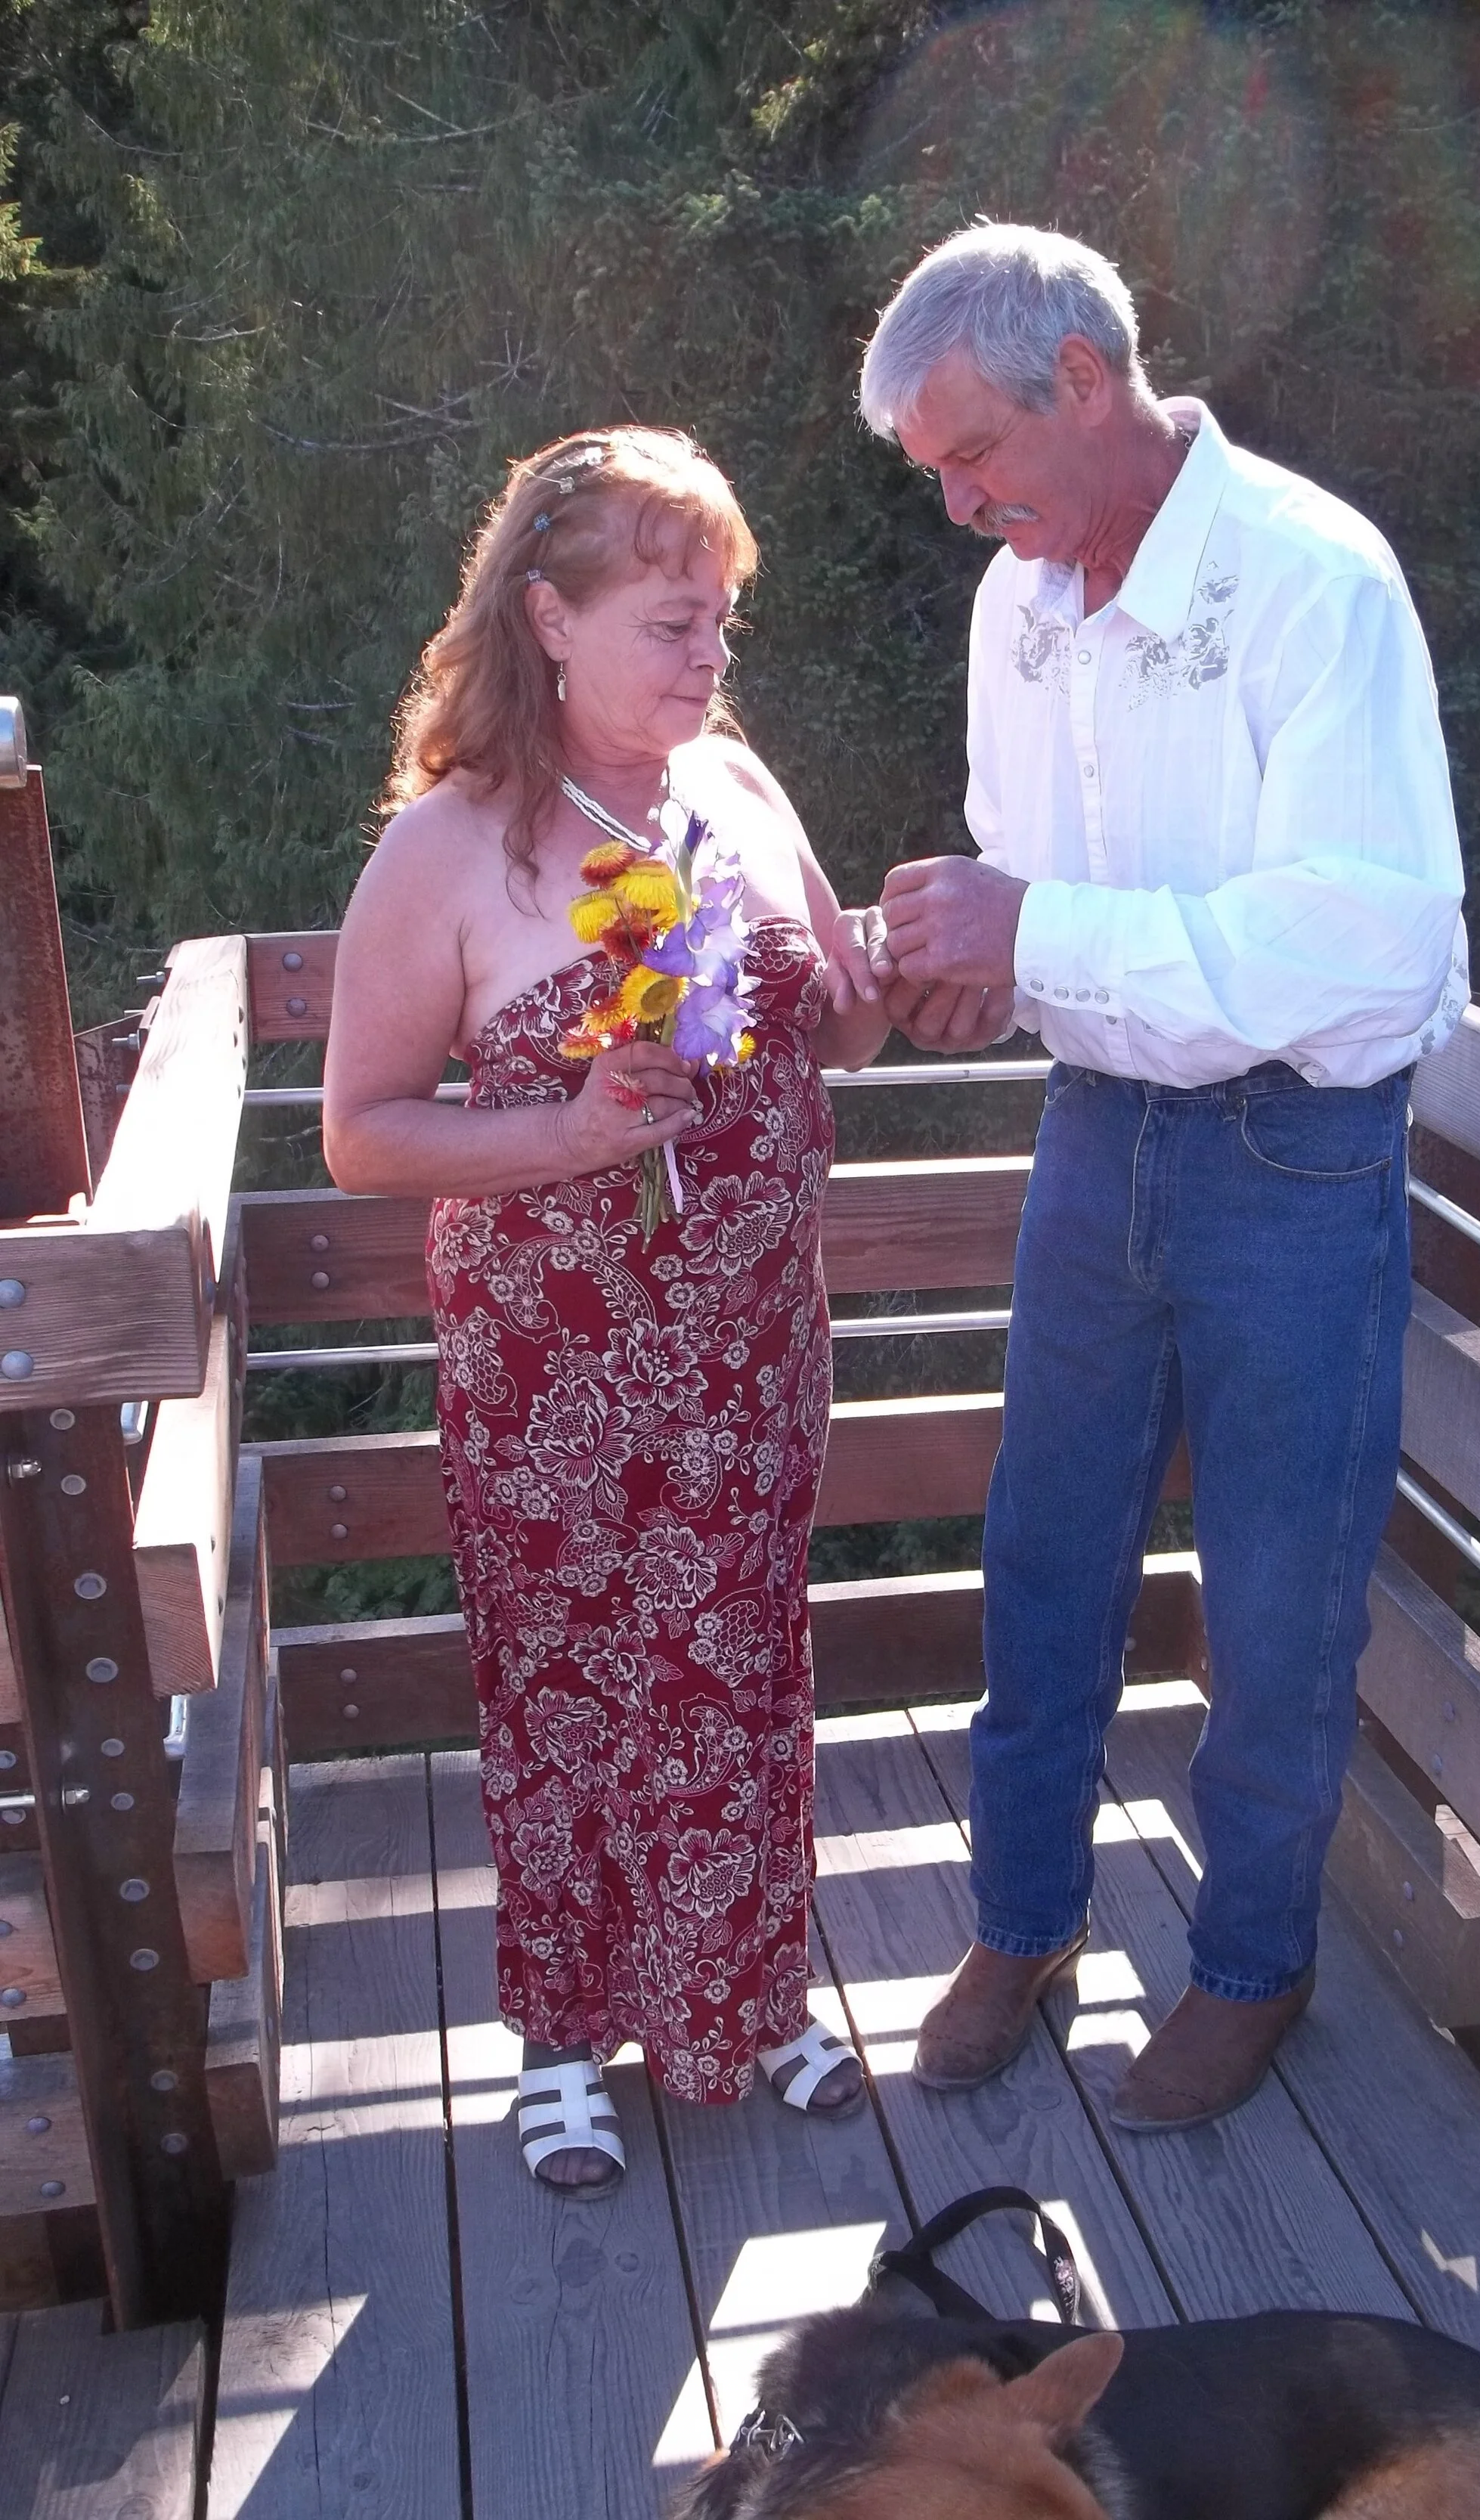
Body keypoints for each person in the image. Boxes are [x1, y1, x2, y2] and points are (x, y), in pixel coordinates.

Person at [856, 225, 1470, 2131]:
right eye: (934, 478)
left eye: (974, 461)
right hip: (1097, 1125)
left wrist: (1035, 926)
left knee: (1279, 1591)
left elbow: (1367, 943)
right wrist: (974, 970)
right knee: (1044, 1551)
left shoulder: (1310, 577)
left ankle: (1250, 1964)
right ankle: (1022, 1921)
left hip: (1299, 1148)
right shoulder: (1016, 602)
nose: (960, 509)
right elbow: (1032, 884)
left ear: (1084, 383)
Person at [324, 427, 893, 2193]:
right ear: (549, 619)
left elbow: (841, 1027)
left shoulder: (736, 786)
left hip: (747, 1359)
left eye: (720, 619)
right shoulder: (449, 849)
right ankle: (564, 2034)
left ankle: (752, 1993)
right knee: (573, 1691)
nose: (706, 655)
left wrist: (892, 977)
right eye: (668, 619)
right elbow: (359, 1135)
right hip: (556, 1377)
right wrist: (568, 1130)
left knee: (739, 1675)